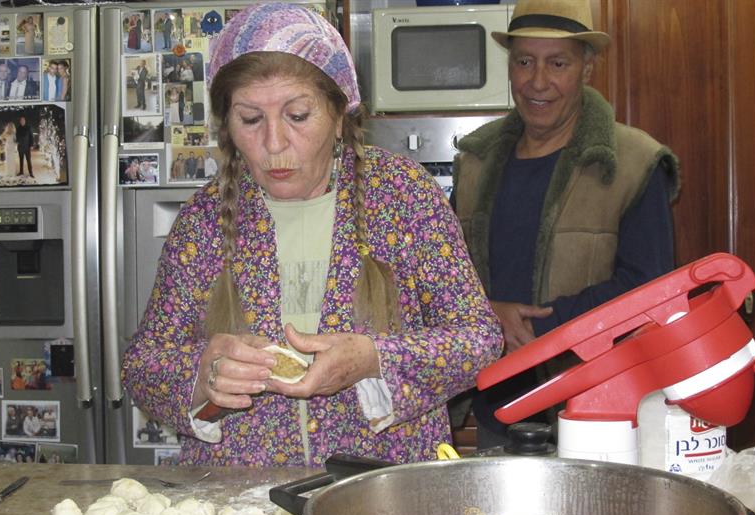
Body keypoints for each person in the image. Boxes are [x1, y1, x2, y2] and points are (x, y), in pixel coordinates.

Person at [121, 2, 501, 467]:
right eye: (251, 119)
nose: (275, 144)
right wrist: (199, 372)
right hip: (239, 494)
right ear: (228, 125)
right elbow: (142, 366)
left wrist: (373, 358)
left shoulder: (402, 196)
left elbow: (480, 340)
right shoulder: (205, 219)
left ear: (339, 114)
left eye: (298, 116)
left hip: (379, 487)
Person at [450, 0, 679, 449]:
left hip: (600, 410)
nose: (538, 82)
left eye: (557, 63)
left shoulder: (634, 162)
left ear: (587, 67)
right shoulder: (475, 162)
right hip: (497, 409)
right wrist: (487, 313)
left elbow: (648, 286)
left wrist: (537, 329)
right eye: (524, 61)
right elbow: (444, 274)